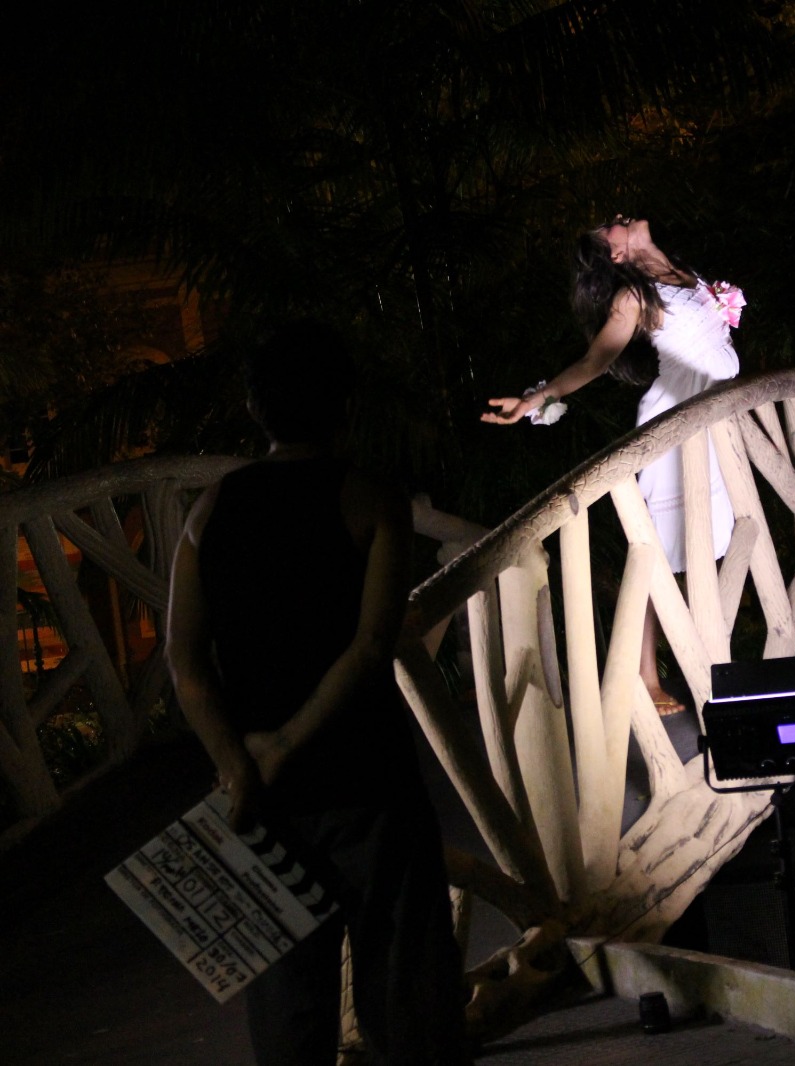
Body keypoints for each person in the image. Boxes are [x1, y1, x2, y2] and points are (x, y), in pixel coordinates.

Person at [166, 322, 467, 1066]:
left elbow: (184, 660)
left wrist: (239, 765)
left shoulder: (209, 510)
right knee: (407, 1006)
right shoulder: (369, 499)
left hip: (264, 800)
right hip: (368, 782)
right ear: (345, 405)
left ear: (254, 408)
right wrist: (286, 743)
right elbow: (370, 646)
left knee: (286, 1017)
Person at [483, 215, 744, 716]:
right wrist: (537, 398)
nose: (619, 219)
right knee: (655, 550)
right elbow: (594, 361)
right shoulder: (633, 298)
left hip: (714, 419)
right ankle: (644, 677)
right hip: (676, 421)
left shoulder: (680, 271)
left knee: (704, 546)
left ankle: (712, 664)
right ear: (617, 255)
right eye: (611, 228)